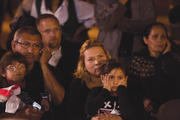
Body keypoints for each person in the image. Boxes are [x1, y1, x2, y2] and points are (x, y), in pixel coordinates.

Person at [127, 22, 180, 119]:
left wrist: (166, 57)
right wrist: (143, 99)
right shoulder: (138, 60)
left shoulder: (173, 59)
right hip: (146, 109)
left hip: (171, 107)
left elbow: (172, 86)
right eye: (155, 36)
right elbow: (131, 88)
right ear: (146, 40)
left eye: (163, 37)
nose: (160, 40)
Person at [66, 40, 111, 120]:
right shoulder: (77, 85)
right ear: (83, 65)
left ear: (107, 57)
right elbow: (73, 115)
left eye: (100, 56)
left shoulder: (118, 80)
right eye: (91, 59)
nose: (97, 62)